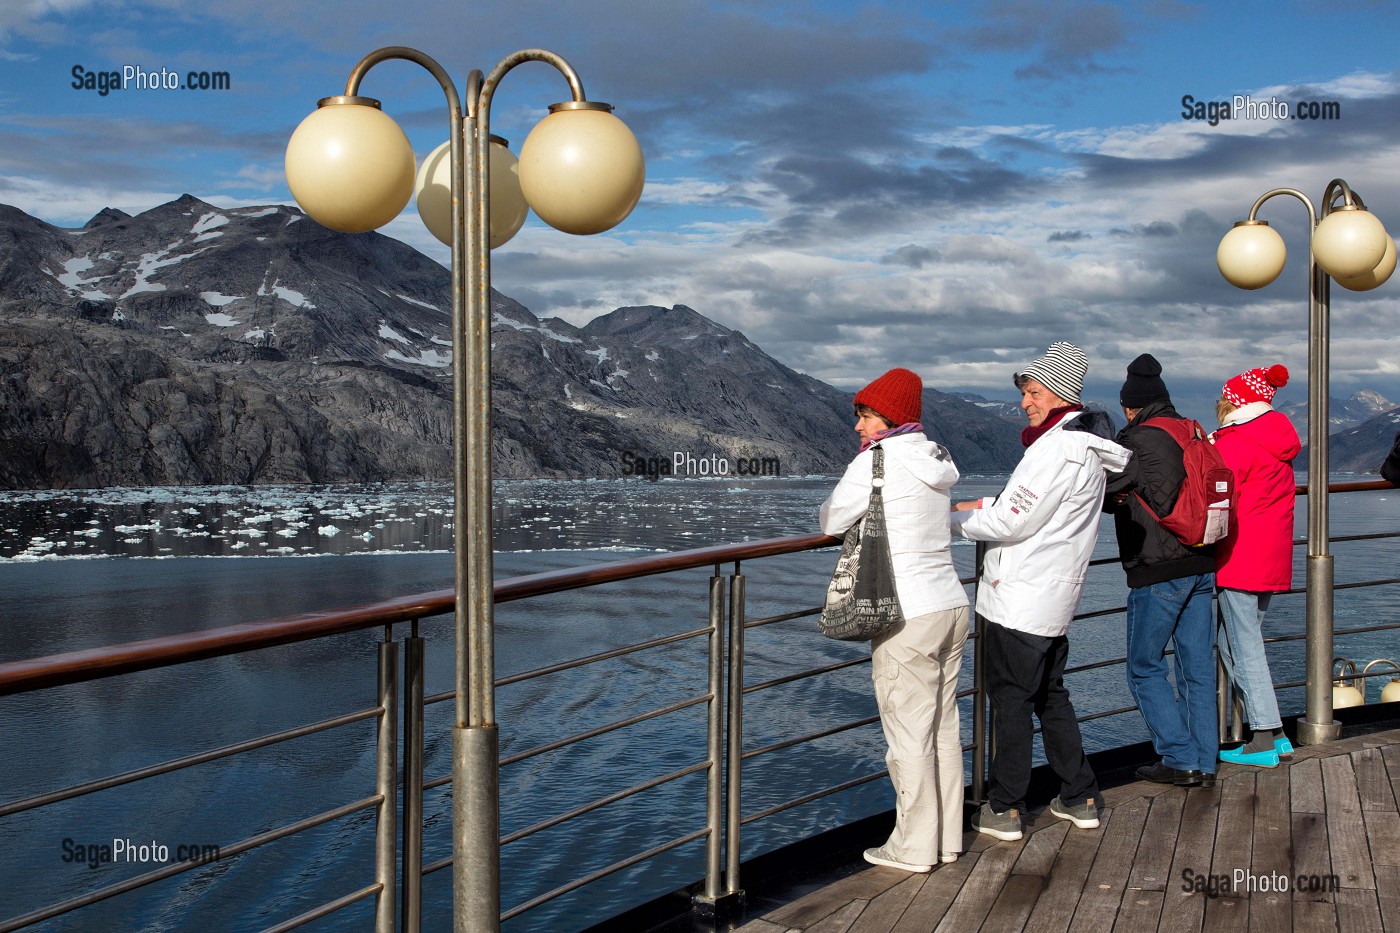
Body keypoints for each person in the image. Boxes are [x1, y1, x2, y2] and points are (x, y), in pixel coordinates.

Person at [950, 342, 1130, 842]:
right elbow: (1033, 506)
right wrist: (985, 501)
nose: (1024, 403)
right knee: (1051, 696)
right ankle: (1079, 795)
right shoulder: (1081, 449)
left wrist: (960, 519)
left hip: (1019, 597)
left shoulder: (1055, 449)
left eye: (1032, 392)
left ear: (1057, 394)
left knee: (1010, 701)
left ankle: (1005, 806)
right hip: (1054, 596)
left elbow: (1012, 519)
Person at [819, 367, 970, 873]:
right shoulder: (935, 458)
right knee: (942, 730)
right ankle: (947, 839)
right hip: (950, 605)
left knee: (908, 735)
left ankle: (912, 847)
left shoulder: (877, 461)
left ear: (889, 417)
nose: (859, 427)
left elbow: (832, 519)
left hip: (906, 613)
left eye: (865, 415)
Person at [1104, 354, 1219, 788]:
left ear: (1131, 406)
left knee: (1145, 666)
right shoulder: (1190, 430)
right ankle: (1204, 761)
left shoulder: (1136, 439)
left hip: (1158, 568)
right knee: (1196, 667)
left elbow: (1104, 488)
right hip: (1202, 560)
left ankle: (1178, 757)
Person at [1212, 364, 1300, 767]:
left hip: (1239, 556)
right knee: (1234, 642)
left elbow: (1213, 491)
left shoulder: (1234, 441)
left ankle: (1263, 735)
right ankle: (1277, 733)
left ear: (1234, 402)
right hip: (1271, 556)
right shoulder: (1276, 438)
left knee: (1244, 644)